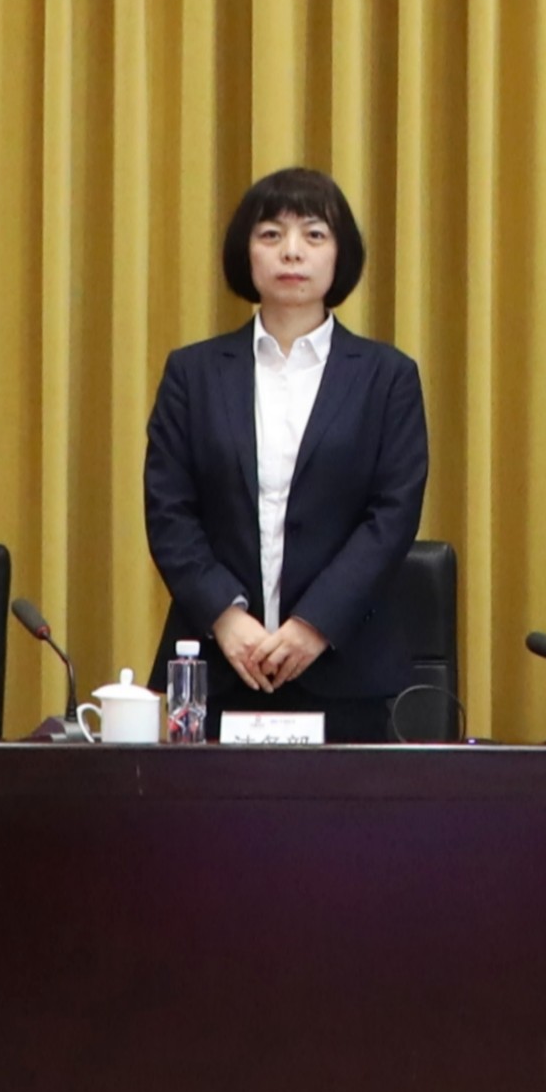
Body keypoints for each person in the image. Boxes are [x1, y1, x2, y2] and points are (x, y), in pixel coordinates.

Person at [144, 167, 434, 742]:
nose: (292, 252)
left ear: (339, 256)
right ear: (245, 253)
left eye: (314, 235)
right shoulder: (194, 373)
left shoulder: (387, 377)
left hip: (347, 670)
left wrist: (314, 624)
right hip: (220, 668)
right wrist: (227, 618)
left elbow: (392, 516)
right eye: (271, 234)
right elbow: (169, 510)